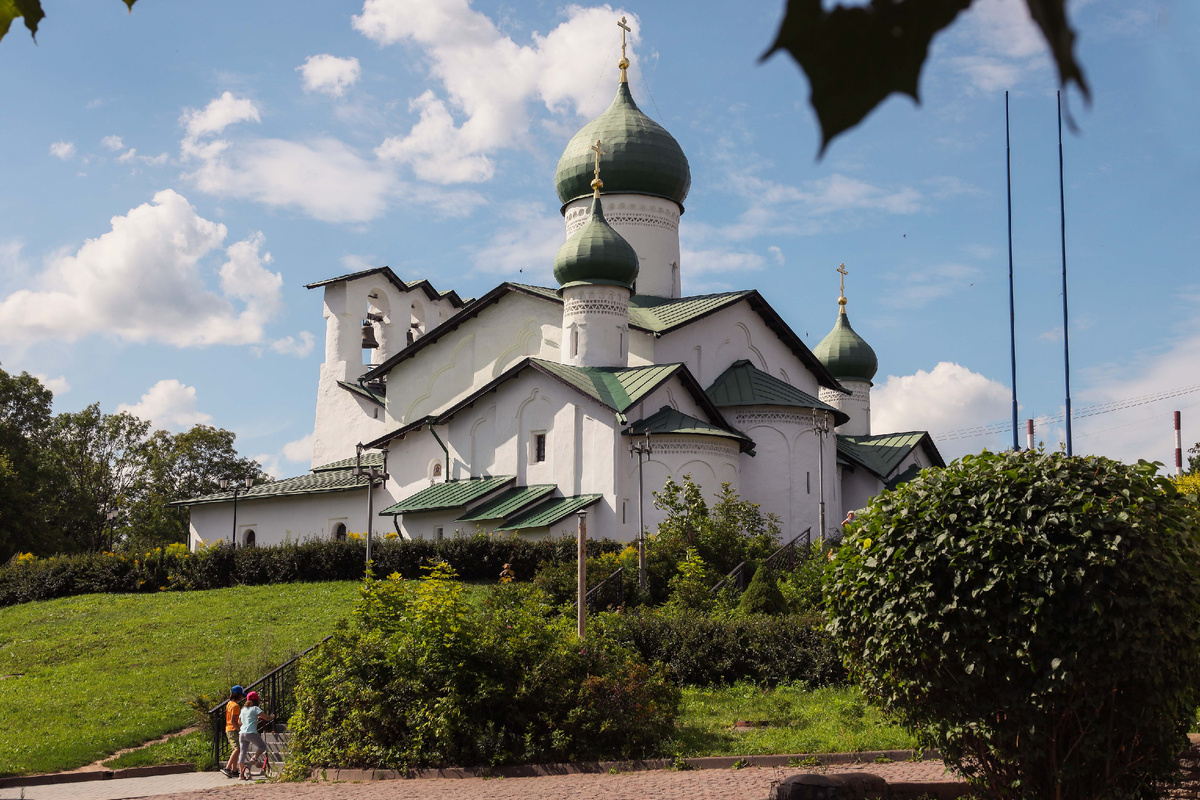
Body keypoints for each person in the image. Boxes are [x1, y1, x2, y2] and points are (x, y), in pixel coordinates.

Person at [238, 691, 274, 780]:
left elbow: (239, 722)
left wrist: (252, 719)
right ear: (256, 700)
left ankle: (241, 774)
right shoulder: (255, 709)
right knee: (262, 746)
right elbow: (265, 717)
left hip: (242, 733)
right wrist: (271, 717)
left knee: (242, 753)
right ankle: (254, 758)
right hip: (251, 732)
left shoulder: (243, 710)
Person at [220, 686, 244, 777]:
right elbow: (234, 720)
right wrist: (239, 729)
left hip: (229, 729)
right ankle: (227, 767)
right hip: (233, 729)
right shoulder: (235, 706)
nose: (242, 697)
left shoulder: (229, 703)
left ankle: (234, 770)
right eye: (241, 695)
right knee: (237, 748)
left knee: (236, 749)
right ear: (237, 695)